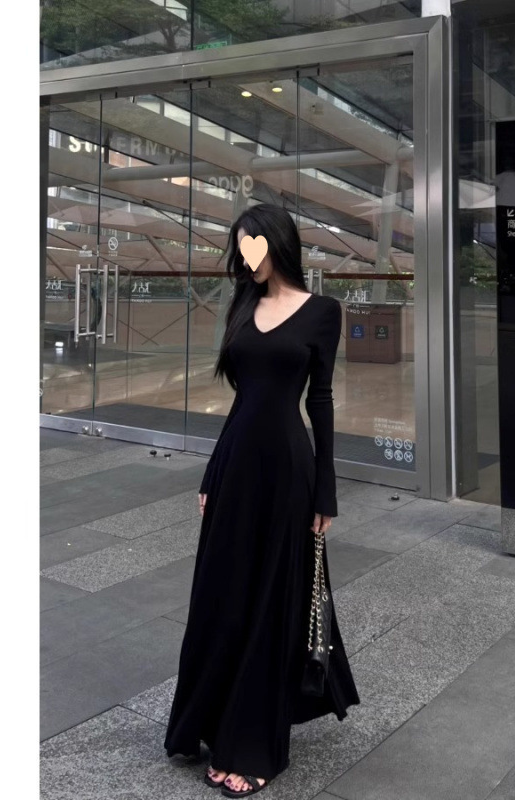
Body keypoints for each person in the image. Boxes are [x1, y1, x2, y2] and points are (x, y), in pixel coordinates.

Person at [164, 203, 360, 797]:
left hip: (287, 471)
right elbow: (242, 400)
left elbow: (319, 401)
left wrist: (326, 488)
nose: (245, 257)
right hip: (235, 467)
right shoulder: (242, 306)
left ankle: (253, 745)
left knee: (273, 600)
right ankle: (207, 719)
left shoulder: (323, 312)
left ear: (279, 244)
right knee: (223, 594)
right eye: (239, 246)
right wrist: (210, 473)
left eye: (253, 244)